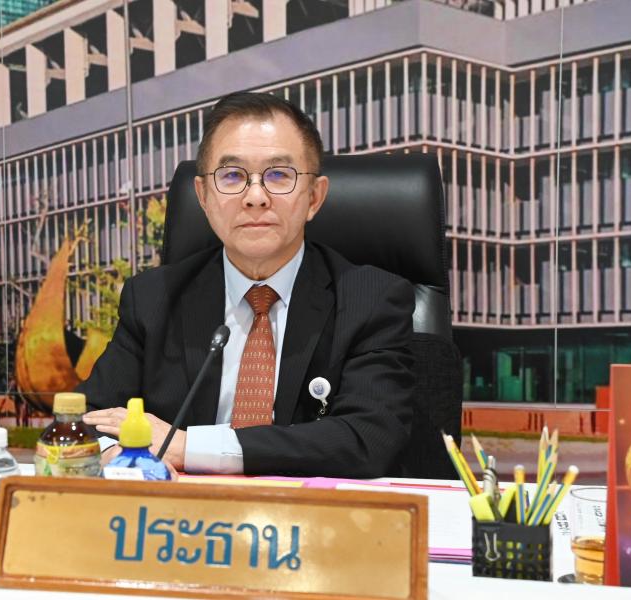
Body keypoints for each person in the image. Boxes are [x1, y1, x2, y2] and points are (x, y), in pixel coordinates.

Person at [77, 92, 414, 478]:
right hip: (181, 511)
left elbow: (369, 438)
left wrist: (189, 447)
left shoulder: (370, 300)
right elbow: (85, 420)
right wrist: (113, 454)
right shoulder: (153, 299)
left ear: (314, 198)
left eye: (279, 175)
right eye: (232, 176)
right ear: (203, 197)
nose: (255, 197)